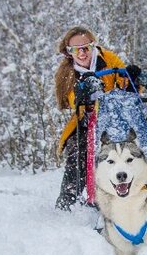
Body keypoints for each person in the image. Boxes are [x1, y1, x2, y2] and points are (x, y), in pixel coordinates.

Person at [53, 26, 136, 210]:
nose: (81, 53)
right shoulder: (67, 73)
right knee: (78, 148)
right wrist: (85, 91)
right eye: (75, 50)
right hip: (85, 120)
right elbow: (72, 101)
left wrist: (133, 81)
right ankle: (69, 200)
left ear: (93, 46)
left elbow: (125, 81)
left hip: (114, 117)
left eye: (86, 48)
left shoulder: (107, 59)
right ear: (69, 52)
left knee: (133, 146)